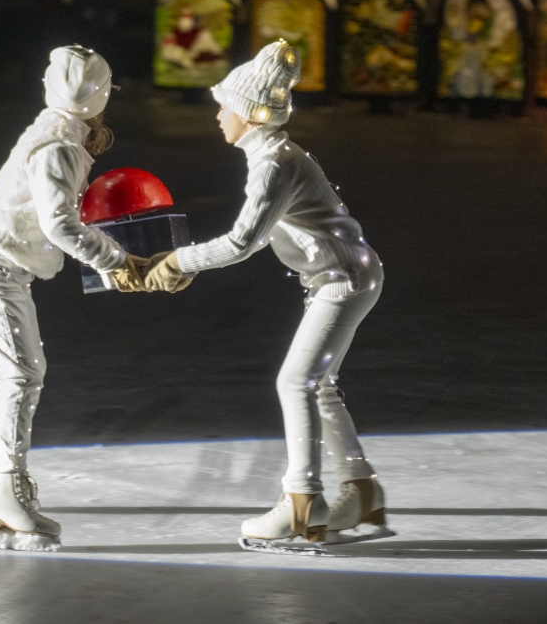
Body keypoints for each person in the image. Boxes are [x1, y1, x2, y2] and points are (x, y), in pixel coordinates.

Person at [144, 40, 390, 553]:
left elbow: (241, 243)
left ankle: (304, 505)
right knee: (317, 384)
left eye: (224, 106)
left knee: (295, 382)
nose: (217, 115)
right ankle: (361, 491)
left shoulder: (274, 164)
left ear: (250, 114)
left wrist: (176, 261)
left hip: (342, 278)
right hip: (343, 274)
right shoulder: (272, 156)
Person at [0, 45, 146, 552]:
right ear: (102, 97)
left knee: (17, 369)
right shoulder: (59, 146)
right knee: (23, 372)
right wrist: (119, 262)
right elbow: (60, 225)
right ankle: (6, 489)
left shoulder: (56, 130)